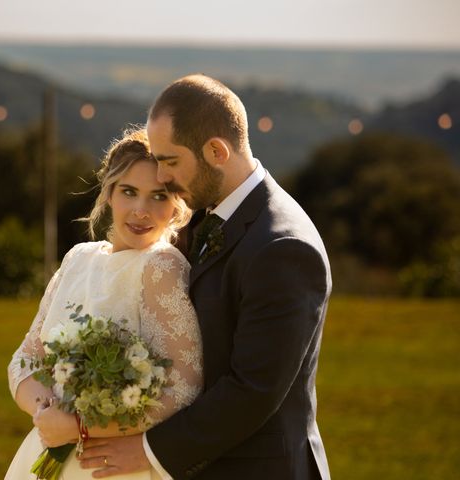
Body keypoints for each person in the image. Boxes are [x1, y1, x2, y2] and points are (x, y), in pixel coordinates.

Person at [78, 74, 332, 479]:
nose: (161, 176)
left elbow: (252, 392)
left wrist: (147, 451)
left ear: (216, 151)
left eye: (170, 161)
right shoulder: (204, 214)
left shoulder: (282, 248)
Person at [5, 127, 203, 480]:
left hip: (115, 466)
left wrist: (81, 428)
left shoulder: (161, 268)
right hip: (49, 445)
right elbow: (24, 360)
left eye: (158, 196)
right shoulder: (78, 259)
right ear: (109, 193)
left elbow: (185, 386)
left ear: (176, 205)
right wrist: (47, 414)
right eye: (129, 192)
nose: (141, 210)